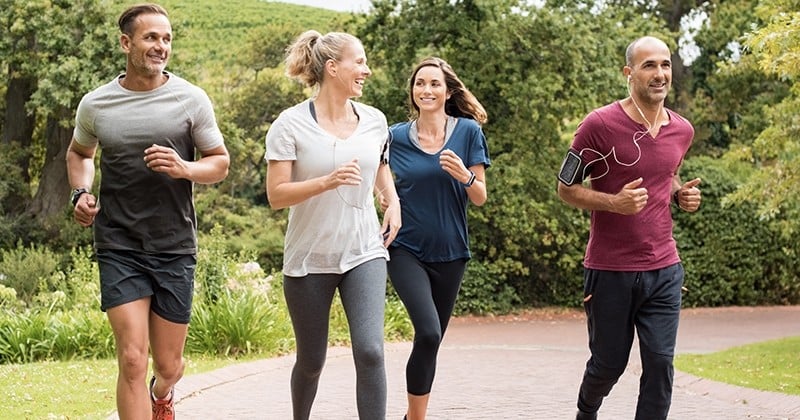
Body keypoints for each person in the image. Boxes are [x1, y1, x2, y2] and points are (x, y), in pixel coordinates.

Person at [66, 4, 229, 420]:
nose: (161, 46)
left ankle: (163, 392)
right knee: (132, 360)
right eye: (151, 38)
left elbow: (219, 162)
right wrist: (80, 192)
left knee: (167, 365)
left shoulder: (191, 99)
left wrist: (184, 167)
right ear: (126, 43)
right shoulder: (97, 104)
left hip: (174, 243)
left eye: (167, 38)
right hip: (118, 242)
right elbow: (79, 153)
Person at [556, 36, 702, 420]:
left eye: (665, 65)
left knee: (659, 364)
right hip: (610, 270)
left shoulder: (682, 130)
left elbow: (665, 175)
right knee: (609, 364)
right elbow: (565, 188)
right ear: (628, 73)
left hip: (664, 267)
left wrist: (678, 195)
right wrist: (613, 203)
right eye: (649, 65)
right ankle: (586, 411)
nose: (660, 74)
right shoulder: (598, 125)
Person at [264, 30, 401, 420]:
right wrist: (325, 181)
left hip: (364, 251)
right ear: (332, 67)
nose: (366, 70)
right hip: (310, 257)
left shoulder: (374, 120)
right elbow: (277, 195)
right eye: (358, 62)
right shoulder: (289, 125)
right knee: (311, 361)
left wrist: (392, 200)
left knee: (371, 351)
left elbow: (381, 166)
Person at [385, 57, 490, 420]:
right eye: (420, 84)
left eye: (434, 84)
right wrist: (385, 198)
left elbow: (480, 197)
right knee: (428, 332)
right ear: (413, 91)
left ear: (448, 91)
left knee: (431, 341)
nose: (426, 90)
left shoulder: (468, 133)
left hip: (451, 252)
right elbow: (378, 177)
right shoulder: (395, 136)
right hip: (405, 249)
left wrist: (465, 175)